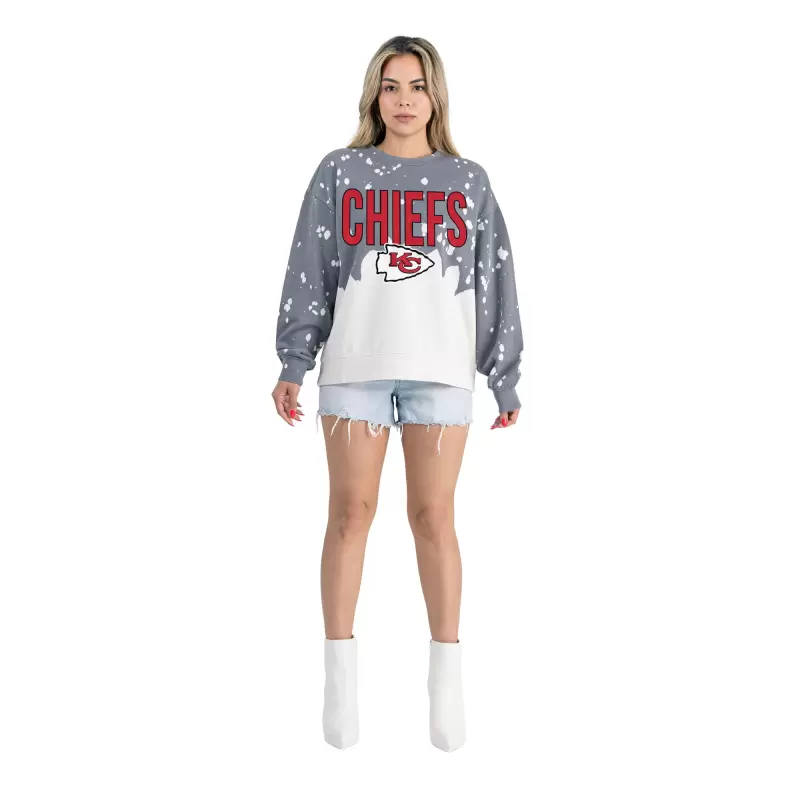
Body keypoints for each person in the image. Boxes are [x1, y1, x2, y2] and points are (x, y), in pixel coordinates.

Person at [272, 35, 524, 752]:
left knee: (433, 519)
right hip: (355, 365)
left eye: (416, 86)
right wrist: (294, 361)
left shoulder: (468, 181)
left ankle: (447, 687)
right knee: (349, 515)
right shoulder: (340, 171)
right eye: (391, 86)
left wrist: (503, 372)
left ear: (435, 96)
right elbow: (311, 267)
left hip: (441, 368)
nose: (404, 100)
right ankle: (339, 686)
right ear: (374, 96)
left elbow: (495, 277)